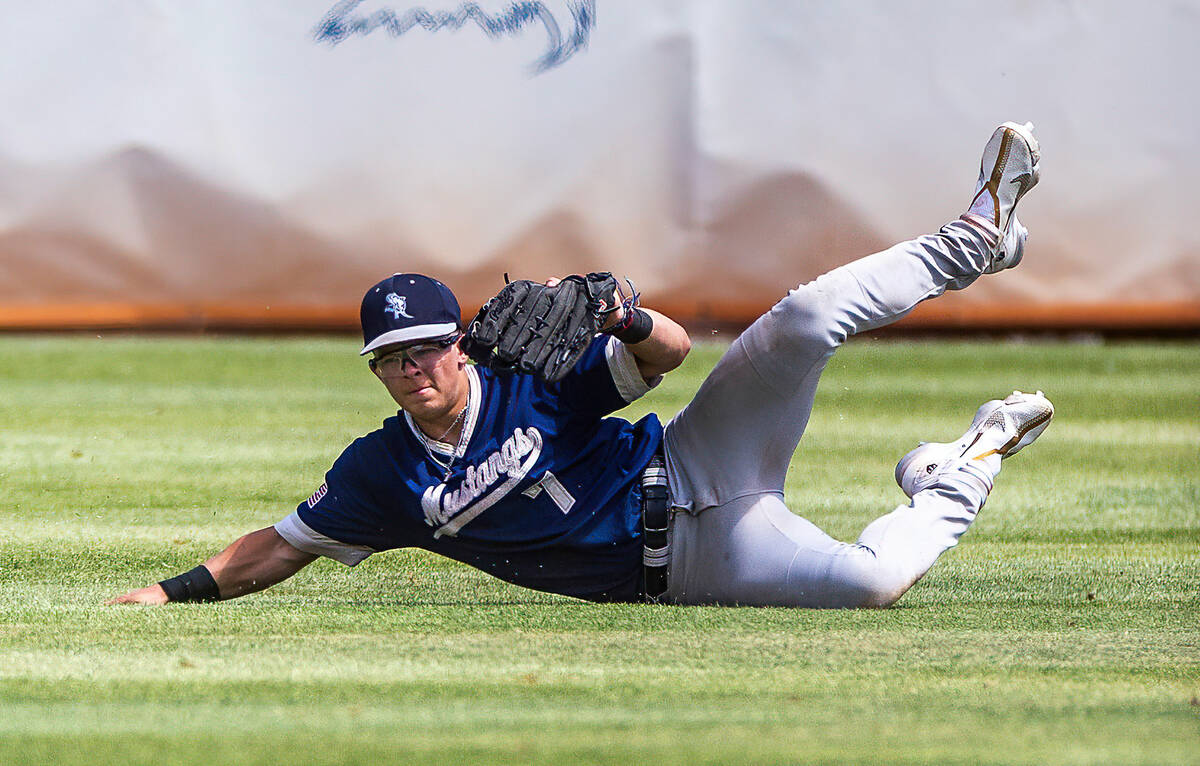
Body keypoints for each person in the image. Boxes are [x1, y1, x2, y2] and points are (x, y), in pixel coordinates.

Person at [108, 121, 1053, 608]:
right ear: (376, 372)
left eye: (428, 344)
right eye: (391, 358)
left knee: (805, 319)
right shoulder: (381, 476)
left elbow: (672, 356)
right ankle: (954, 470)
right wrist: (165, 593)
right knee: (872, 586)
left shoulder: (528, 374)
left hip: (693, 460)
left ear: (457, 338)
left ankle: (976, 236)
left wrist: (626, 314)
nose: (415, 367)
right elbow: (279, 547)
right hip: (688, 565)